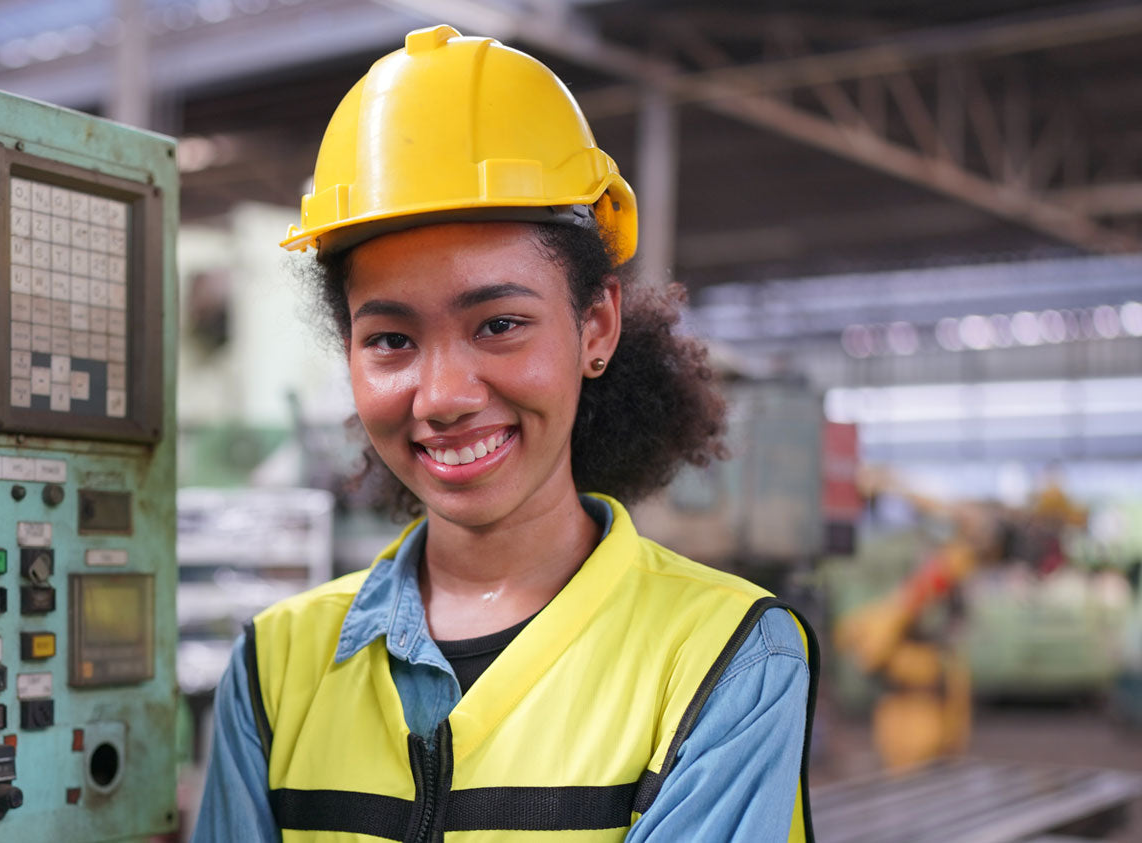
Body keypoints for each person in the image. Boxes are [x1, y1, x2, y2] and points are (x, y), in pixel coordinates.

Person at [194, 25, 817, 842]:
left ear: (595, 327)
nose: (443, 396)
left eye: (498, 324)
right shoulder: (275, 671)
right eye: (390, 340)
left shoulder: (724, 661)